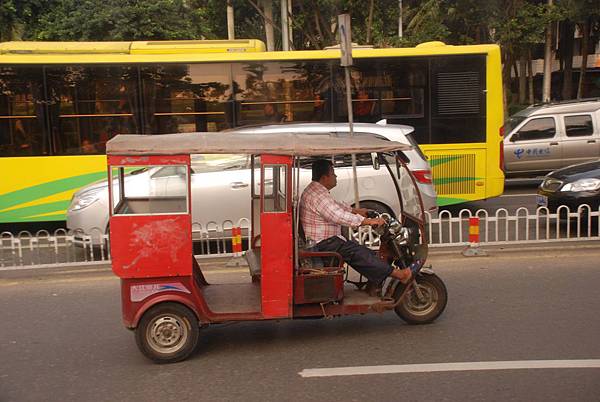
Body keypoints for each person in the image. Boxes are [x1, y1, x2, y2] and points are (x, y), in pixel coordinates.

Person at [299, 159, 412, 296]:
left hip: (327, 241)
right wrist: (367, 221)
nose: (336, 177)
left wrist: (358, 211)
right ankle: (399, 274)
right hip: (324, 243)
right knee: (359, 253)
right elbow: (337, 215)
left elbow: (336, 206)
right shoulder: (318, 195)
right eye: (333, 174)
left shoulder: (316, 191)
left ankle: (373, 283)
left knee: (364, 251)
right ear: (324, 177)